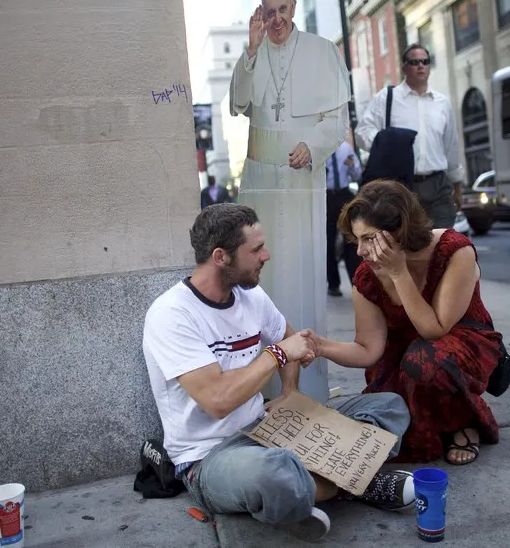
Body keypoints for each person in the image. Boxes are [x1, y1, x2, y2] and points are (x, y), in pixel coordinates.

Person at [142, 204, 414, 542]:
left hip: (268, 428)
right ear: (220, 257)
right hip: (210, 456)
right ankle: (352, 479)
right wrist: (278, 354)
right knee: (274, 472)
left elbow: (288, 337)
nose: (266, 255)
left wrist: (289, 395)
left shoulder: (251, 295)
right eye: (256, 249)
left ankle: (318, 486)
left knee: (389, 406)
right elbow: (217, 400)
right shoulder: (172, 314)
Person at [307, 180, 503, 465]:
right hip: (402, 355)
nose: (359, 251)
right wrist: (320, 346)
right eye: (356, 239)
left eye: (369, 238)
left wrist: (399, 273)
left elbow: (435, 329)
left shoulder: (454, 251)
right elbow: (368, 349)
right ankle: (432, 426)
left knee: (425, 359)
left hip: (459, 344)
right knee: (386, 416)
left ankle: (463, 422)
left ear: (399, 231)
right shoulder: (366, 277)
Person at [228, 0, 351, 403]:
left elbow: (336, 121)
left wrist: (310, 146)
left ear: (294, 8)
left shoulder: (321, 51)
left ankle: (308, 391)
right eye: (268, 12)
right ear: (261, 15)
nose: (276, 19)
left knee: (300, 273)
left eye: (283, 10)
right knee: (260, 276)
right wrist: (249, 50)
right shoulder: (253, 53)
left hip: (301, 183)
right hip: (260, 183)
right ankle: (260, 390)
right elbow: (239, 104)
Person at [355, 44, 465, 228]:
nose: (420, 66)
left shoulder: (442, 103)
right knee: (407, 246)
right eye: (414, 62)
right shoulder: (387, 98)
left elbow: (451, 146)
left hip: (438, 185)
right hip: (401, 186)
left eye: (425, 61)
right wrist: (388, 143)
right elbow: (362, 132)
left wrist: (457, 185)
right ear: (404, 68)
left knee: (442, 243)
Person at [325, 135, 362, 297]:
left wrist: (353, 166)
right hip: (326, 196)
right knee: (328, 241)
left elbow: (357, 175)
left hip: (344, 195)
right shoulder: (320, 150)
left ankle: (356, 281)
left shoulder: (346, 148)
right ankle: (333, 284)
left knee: (351, 239)